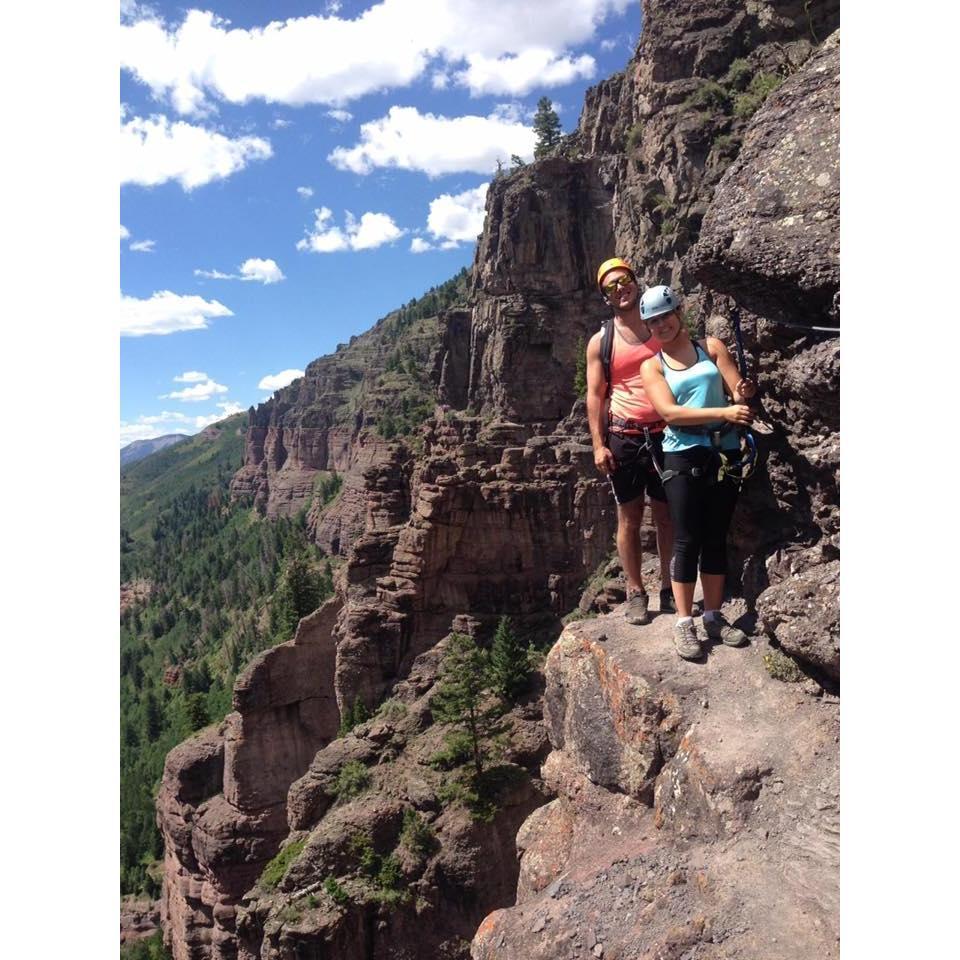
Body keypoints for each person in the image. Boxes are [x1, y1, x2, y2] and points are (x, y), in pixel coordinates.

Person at [638, 284, 757, 660]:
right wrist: (724, 413)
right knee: (688, 538)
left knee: (715, 537)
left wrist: (741, 392)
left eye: (665, 317)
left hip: (722, 452)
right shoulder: (652, 365)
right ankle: (684, 623)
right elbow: (670, 414)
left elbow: (735, 390)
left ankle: (713, 616)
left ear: (679, 313)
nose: (660, 326)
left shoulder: (712, 347)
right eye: (652, 321)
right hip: (683, 455)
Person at [585, 258, 674, 625]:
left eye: (624, 281)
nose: (620, 288)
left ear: (636, 282)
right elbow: (595, 394)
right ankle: (636, 592)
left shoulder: (661, 325)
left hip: (667, 433)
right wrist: (597, 444)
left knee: (668, 517)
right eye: (611, 286)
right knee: (629, 518)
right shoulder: (601, 341)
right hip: (624, 436)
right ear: (605, 296)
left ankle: (669, 588)